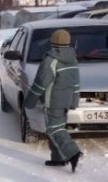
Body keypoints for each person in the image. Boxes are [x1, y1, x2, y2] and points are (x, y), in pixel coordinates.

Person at [24, 29, 82, 172]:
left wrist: (29, 101)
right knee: (58, 127)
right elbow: (76, 83)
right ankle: (58, 158)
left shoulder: (50, 60)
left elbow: (40, 83)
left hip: (53, 101)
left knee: (54, 129)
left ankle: (73, 153)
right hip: (66, 101)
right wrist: (74, 101)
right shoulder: (72, 59)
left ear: (52, 42)